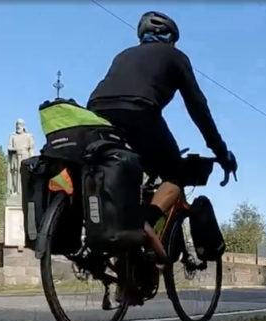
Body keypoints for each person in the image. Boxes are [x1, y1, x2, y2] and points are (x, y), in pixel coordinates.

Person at [87, 10, 238, 262]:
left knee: (124, 169)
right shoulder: (175, 56)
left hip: (96, 114)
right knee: (176, 174)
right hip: (138, 111)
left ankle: (123, 252)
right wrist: (221, 152)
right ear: (170, 39)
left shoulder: (123, 55)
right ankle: (145, 224)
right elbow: (198, 107)